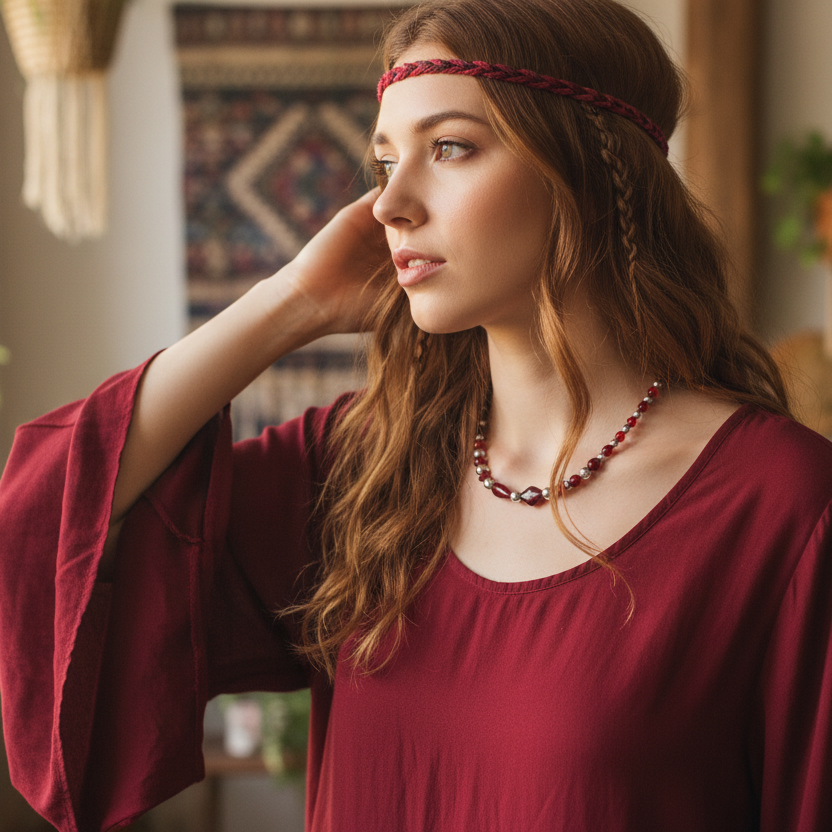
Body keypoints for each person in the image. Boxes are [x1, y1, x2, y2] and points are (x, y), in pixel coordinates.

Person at [1, 0, 831, 829]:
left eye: (449, 148)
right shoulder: (367, 464)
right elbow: (44, 534)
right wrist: (289, 303)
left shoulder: (781, 506)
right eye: (385, 160)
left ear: (587, 164)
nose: (388, 204)